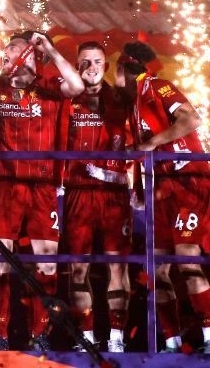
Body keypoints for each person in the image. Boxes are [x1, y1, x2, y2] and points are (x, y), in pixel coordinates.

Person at [0, 31, 84, 351]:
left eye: (11, 47)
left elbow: (78, 86)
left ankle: (40, 334)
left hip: (41, 189)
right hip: (4, 186)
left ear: (28, 53)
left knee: (47, 265)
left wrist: (49, 49)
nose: (3, 53)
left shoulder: (50, 88)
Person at [117, 41, 210, 354]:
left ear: (124, 66)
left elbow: (191, 119)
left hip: (188, 180)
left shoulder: (157, 86)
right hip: (161, 187)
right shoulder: (132, 102)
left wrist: (151, 143)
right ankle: (171, 341)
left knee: (187, 260)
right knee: (156, 268)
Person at [63, 42, 134, 353]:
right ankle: (87, 338)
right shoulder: (67, 98)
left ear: (105, 66)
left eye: (96, 62)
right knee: (78, 268)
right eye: (84, 62)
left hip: (113, 197)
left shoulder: (122, 99)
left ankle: (117, 340)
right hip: (78, 193)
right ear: (76, 66)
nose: (90, 68)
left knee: (118, 268)